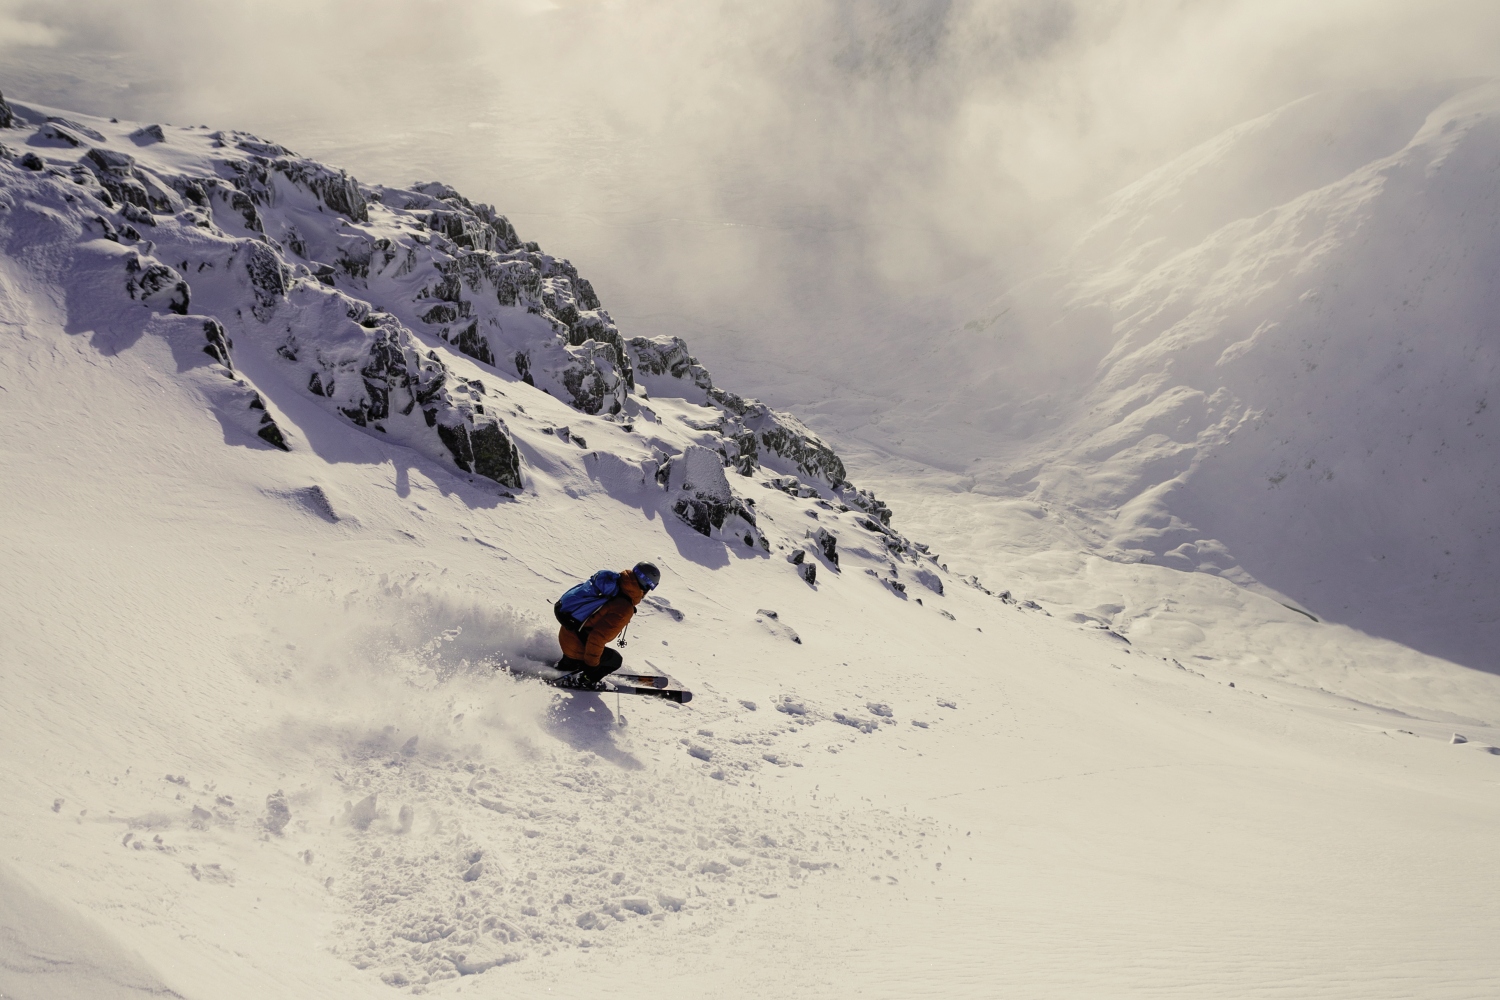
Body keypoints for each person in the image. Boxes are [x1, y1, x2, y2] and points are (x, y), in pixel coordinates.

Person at [553, 561, 661, 687]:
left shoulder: (615, 584)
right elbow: (596, 639)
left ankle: (565, 666)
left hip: (567, 632)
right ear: (646, 586)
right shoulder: (624, 607)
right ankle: (584, 680)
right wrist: (591, 667)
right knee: (614, 660)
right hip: (576, 643)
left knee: (576, 657)